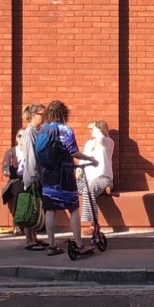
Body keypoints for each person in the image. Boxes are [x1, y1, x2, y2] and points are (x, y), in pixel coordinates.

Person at [39, 100, 95, 257]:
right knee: (73, 208)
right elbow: (74, 152)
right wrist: (91, 159)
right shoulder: (66, 130)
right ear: (63, 114)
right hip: (64, 176)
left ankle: (51, 245)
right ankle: (79, 244)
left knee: (50, 210)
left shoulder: (42, 130)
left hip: (48, 175)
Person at [78, 120, 114, 235]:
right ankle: (103, 189)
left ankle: (94, 225)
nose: (91, 131)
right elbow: (83, 157)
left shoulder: (108, 142)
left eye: (93, 129)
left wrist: (98, 128)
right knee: (72, 186)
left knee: (88, 191)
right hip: (87, 178)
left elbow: (101, 139)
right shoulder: (89, 143)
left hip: (102, 176)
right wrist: (78, 170)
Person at [19, 103, 46, 250]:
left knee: (37, 207)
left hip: (39, 174)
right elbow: (31, 157)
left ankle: (34, 237)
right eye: (42, 114)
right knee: (31, 207)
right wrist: (35, 176)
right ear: (33, 115)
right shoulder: (29, 133)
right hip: (32, 175)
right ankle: (29, 240)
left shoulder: (39, 131)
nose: (44, 117)